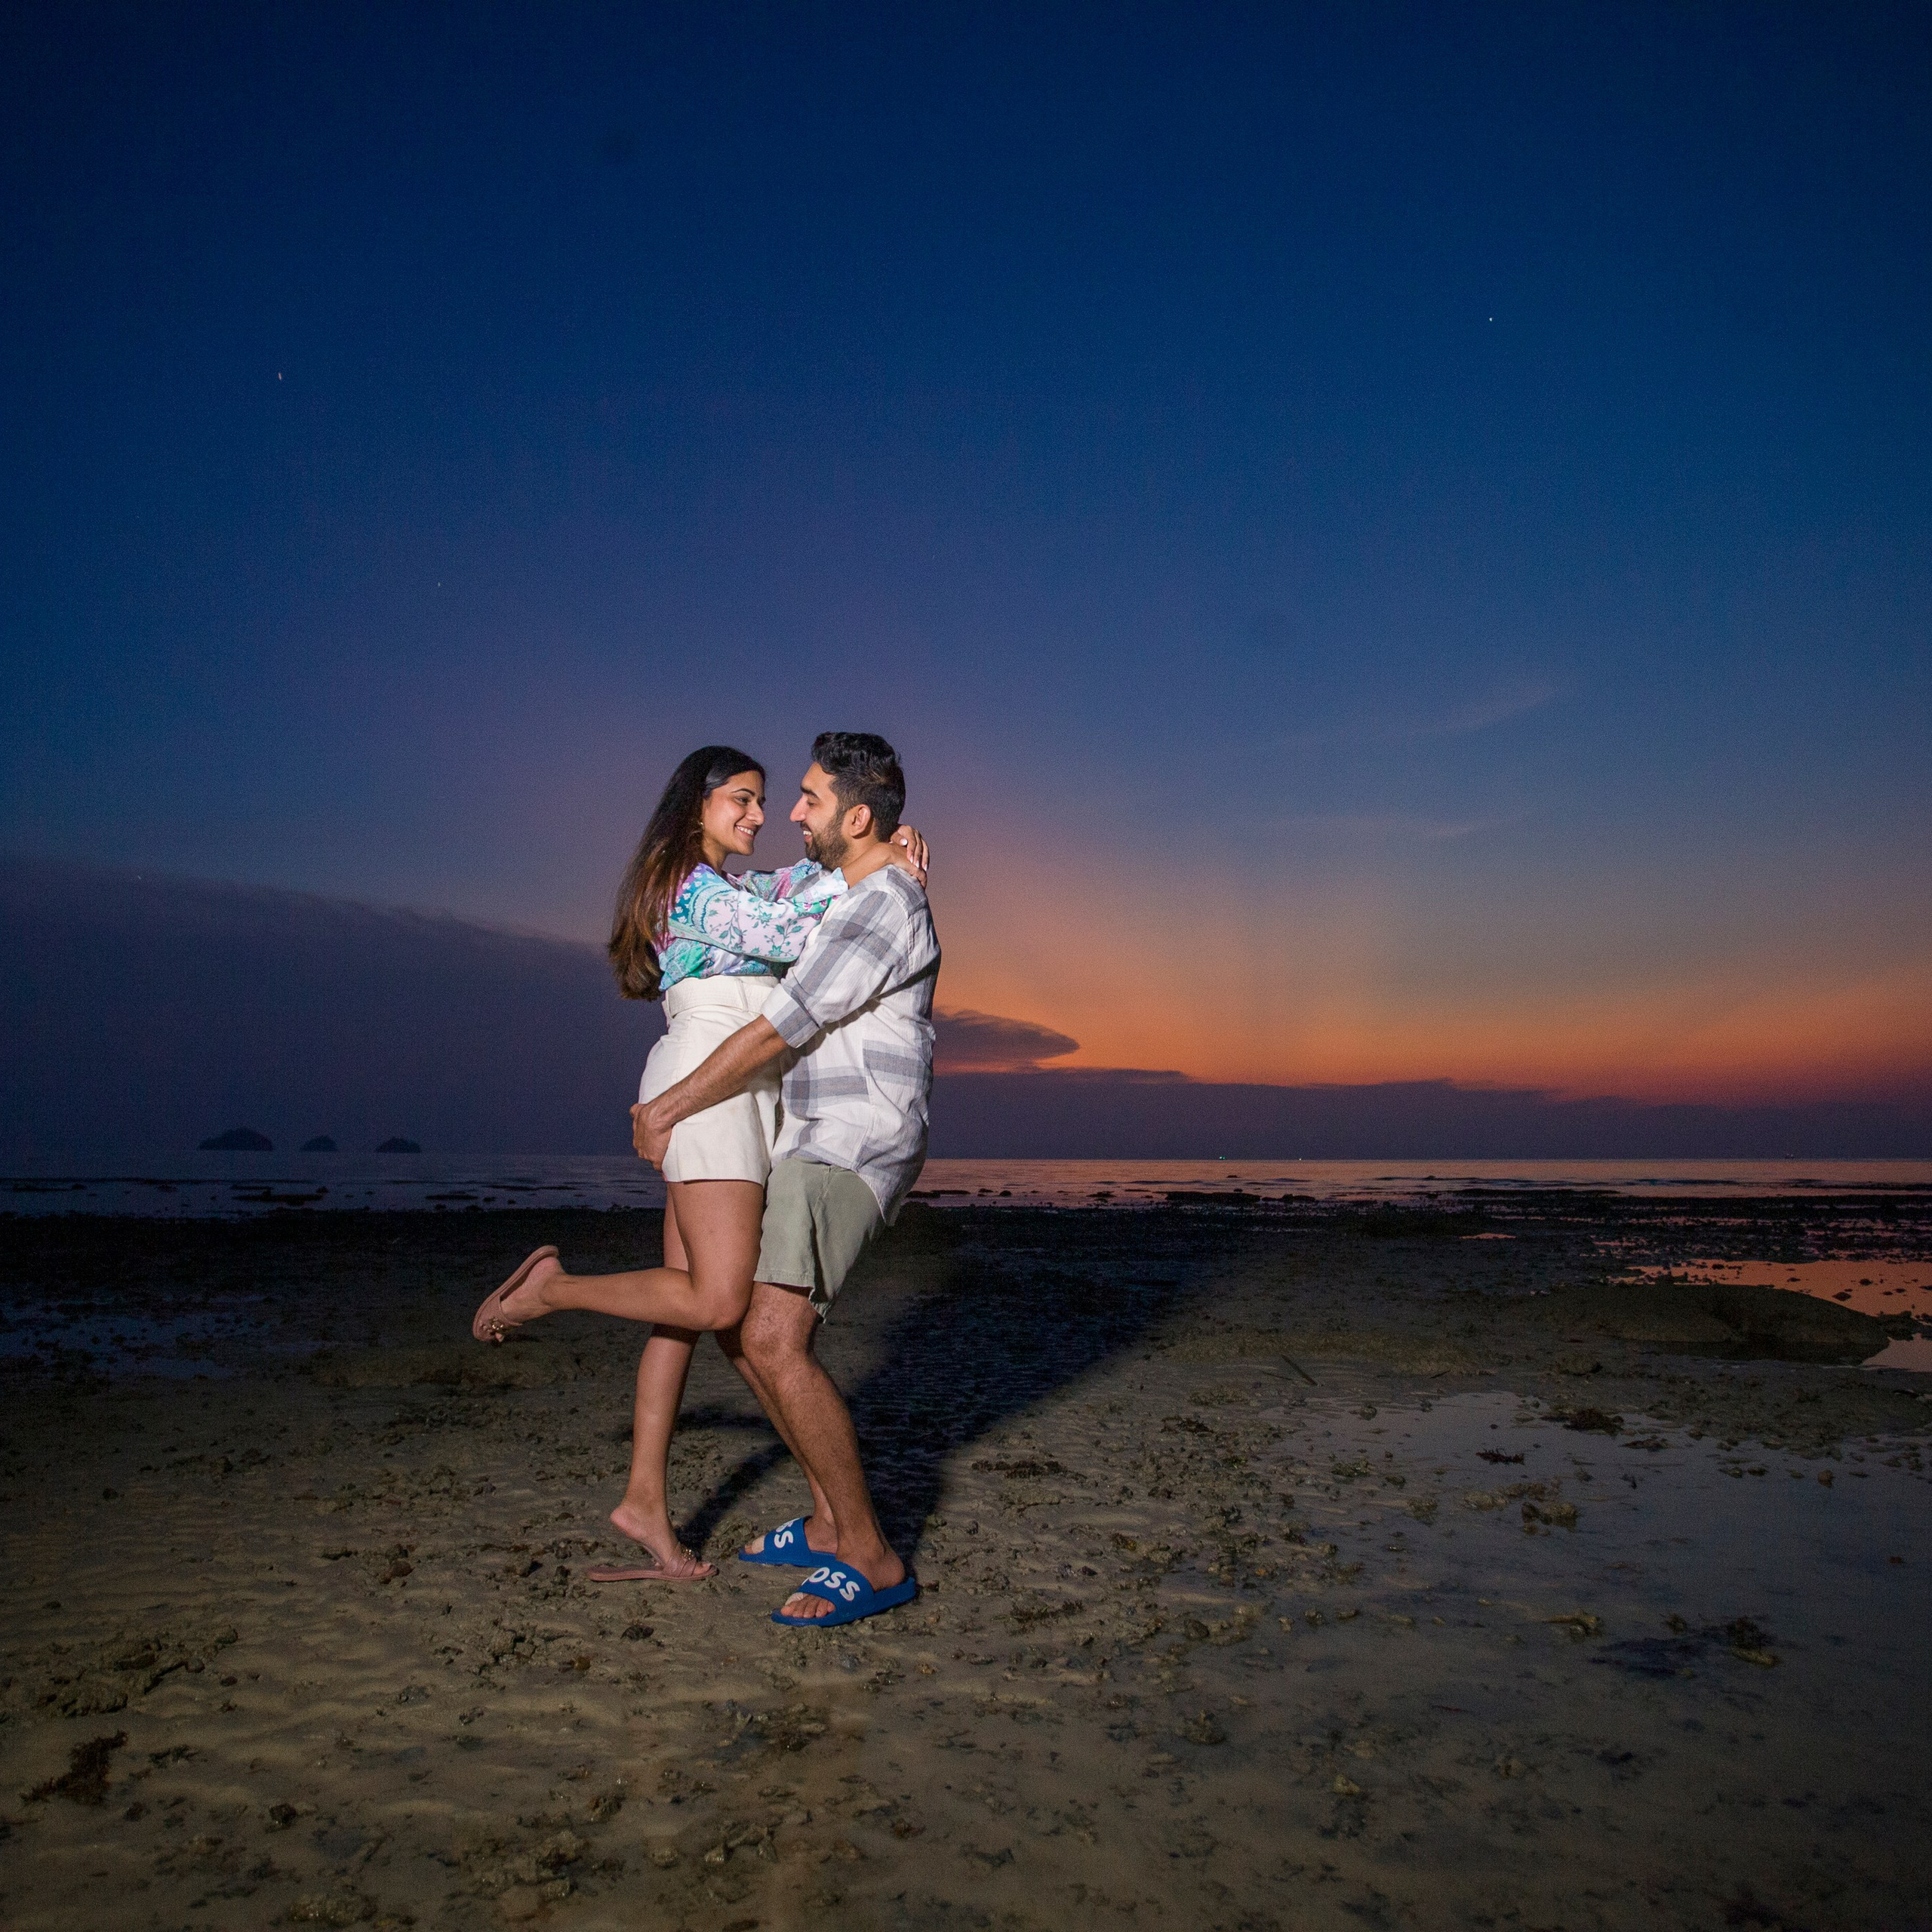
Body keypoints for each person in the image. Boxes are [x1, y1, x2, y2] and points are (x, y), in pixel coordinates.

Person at [469, 743, 926, 1581]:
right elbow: (792, 927)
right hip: (711, 1085)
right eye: (742, 800)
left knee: (681, 1316)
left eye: (769, 799)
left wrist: (876, 846)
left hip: (729, 1087)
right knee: (720, 1299)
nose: (761, 815)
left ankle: (644, 1498)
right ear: (695, 804)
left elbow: (789, 890)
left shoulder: (727, 885)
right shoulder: (692, 885)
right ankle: (551, 1291)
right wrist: (877, 858)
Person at [632, 731, 939, 1629]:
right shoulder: (848, 888)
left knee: (769, 1335)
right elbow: (781, 906)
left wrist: (667, 1108)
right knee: (746, 1331)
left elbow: (780, 1026)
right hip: (804, 1132)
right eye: (774, 797)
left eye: (804, 799)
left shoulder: (881, 903)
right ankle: (826, 1518)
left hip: (849, 1137)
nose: (786, 815)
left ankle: (870, 1555)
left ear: (854, 815)